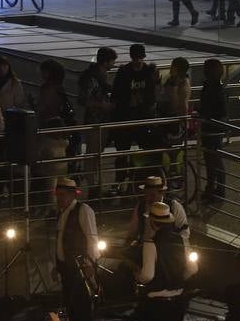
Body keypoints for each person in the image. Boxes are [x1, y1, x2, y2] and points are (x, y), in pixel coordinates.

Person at [129, 202, 188, 321]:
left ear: (152, 222)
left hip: (156, 305)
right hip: (178, 301)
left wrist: (137, 275)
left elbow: (147, 276)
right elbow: (193, 269)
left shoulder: (150, 244)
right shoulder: (182, 240)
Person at [53, 178, 98, 321]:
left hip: (79, 270)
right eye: (57, 195)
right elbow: (60, 242)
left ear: (72, 195)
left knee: (82, 312)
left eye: (62, 195)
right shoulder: (62, 213)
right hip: (67, 270)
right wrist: (57, 265)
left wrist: (90, 265)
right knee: (72, 311)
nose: (58, 199)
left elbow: (92, 239)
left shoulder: (83, 210)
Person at [111, 43, 157, 188]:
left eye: (140, 58)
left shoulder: (148, 71)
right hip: (126, 116)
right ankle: (120, 181)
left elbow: (153, 94)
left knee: (145, 150)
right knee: (122, 152)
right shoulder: (124, 71)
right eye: (136, 58)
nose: (138, 61)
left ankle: (139, 180)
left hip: (142, 117)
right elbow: (116, 94)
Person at [77, 47, 116, 197]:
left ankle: (94, 184)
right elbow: (83, 100)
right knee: (93, 153)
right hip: (95, 119)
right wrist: (103, 105)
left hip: (99, 119)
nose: (113, 64)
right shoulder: (93, 77)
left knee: (95, 153)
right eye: (112, 61)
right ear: (106, 61)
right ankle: (92, 185)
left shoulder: (97, 75)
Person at [126, 176, 189, 249]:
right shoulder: (141, 207)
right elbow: (132, 231)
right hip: (145, 247)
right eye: (147, 194)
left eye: (152, 195)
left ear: (161, 193)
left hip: (168, 248)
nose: (149, 198)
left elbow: (184, 232)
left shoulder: (174, 207)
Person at [199, 59, 227, 202]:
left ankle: (216, 190)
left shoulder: (214, 87)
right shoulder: (215, 86)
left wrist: (204, 115)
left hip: (212, 127)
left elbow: (218, 109)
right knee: (212, 160)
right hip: (211, 126)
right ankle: (213, 189)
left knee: (214, 159)